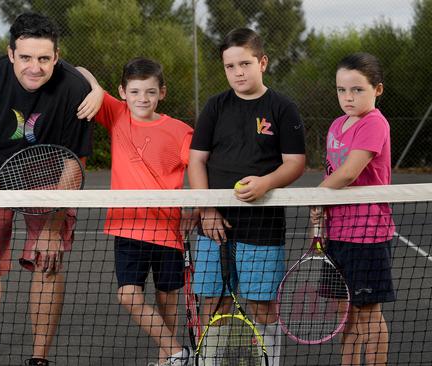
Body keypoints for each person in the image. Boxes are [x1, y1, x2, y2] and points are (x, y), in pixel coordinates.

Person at [0, 12, 98, 366]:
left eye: (44, 58)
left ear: (56, 57)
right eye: (26, 57)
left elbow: (75, 162)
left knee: (49, 259)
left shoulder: (73, 87)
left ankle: (39, 359)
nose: (35, 67)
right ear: (11, 53)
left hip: (49, 174)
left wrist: (53, 227)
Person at [188, 28, 306, 366]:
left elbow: (296, 163)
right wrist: (206, 208)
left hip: (263, 226)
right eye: (230, 66)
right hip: (214, 226)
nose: (238, 73)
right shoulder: (215, 106)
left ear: (263, 62)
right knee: (214, 303)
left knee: (262, 305)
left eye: (245, 64)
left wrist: (267, 182)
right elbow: (196, 160)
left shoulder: (283, 108)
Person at [76, 58, 194, 366]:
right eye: (136, 91)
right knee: (129, 295)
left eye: (150, 92)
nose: (143, 98)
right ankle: (179, 352)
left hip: (168, 230)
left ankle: (169, 359)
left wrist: (198, 205)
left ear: (162, 93)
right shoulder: (117, 115)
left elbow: (199, 168)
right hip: (127, 227)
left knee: (167, 300)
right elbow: (80, 72)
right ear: (122, 92)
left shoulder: (180, 132)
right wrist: (97, 89)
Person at [310, 52, 396, 365]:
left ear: (378, 90)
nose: (348, 97)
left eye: (357, 90)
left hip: (367, 234)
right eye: (341, 90)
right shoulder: (336, 124)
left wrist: (314, 197)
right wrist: (318, 215)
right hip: (338, 234)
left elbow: (348, 172)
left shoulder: (375, 123)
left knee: (367, 312)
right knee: (345, 312)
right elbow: (330, 172)